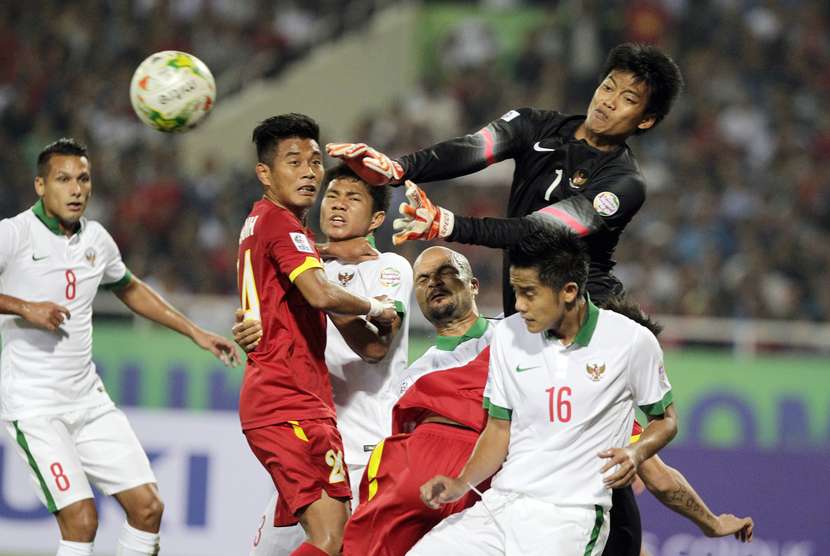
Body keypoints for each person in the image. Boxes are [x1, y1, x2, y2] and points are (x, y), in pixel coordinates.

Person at [329, 42, 689, 555]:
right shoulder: (539, 125)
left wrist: (450, 224)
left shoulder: (624, 184)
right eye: (608, 85)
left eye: (628, 99)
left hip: (582, 321)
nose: (609, 100)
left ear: (646, 120)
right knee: (551, 450)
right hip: (530, 317)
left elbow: (542, 232)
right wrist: (398, 168)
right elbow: (472, 149)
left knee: (599, 458)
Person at [0, 138, 240, 556]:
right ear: (40, 185)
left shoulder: (97, 238)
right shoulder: (14, 234)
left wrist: (194, 331)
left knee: (148, 508)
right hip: (34, 407)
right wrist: (24, 307)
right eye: (63, 179)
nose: (76, 189)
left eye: (83, 179)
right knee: (81, 521)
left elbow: (129, 287)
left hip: (88, 401)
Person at [411, 229, 677, 555]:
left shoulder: (624, 348)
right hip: (500, 503)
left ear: (567, 291)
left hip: (569, 515)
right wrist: (458, 482)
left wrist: (637, 454)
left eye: (529, 294)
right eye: (516, 292)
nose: (519, 305)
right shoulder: (508, 338)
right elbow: (498, 430)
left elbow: (662, 437)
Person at [236, 114, 398, 556]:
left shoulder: (264, 223)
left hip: (284, 399)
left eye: (313, 161)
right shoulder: (282, 226)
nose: (309, 171)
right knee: (332, 539)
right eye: (294, 161)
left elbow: (289, 278)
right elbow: (320, 294)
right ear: (265, 174)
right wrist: (373, 307)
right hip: (292, 402)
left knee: (322, 538)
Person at [341, 246, 493, 556]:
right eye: (422, 280)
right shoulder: (415, 378)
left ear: (473, 285)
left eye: (446, 273)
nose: (433, 283)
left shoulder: (513, 336)